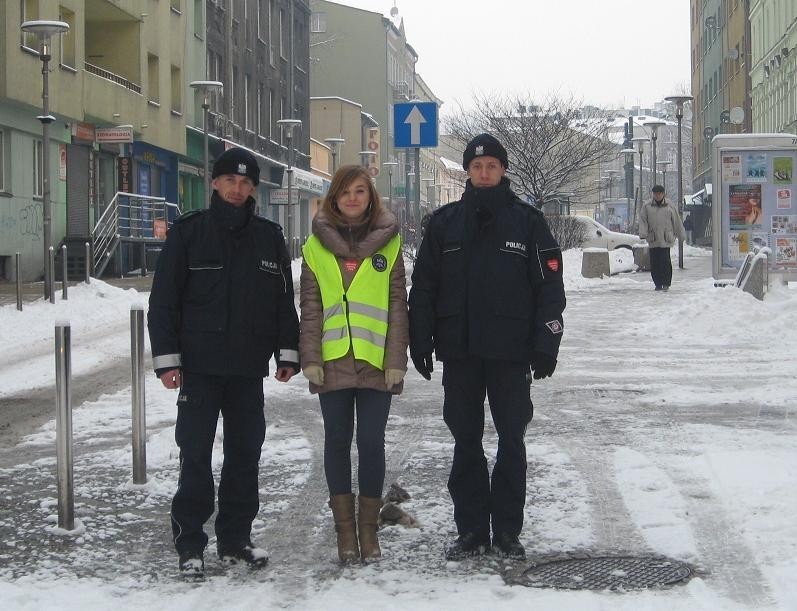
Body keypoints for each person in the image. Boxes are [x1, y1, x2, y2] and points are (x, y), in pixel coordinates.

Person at [408, 133, 566, 561]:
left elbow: (549, 289)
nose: (484, 173)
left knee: (511, 440)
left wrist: (546, 343)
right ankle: (472, 531)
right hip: (459, 353)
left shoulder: (528, 222)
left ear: (503, 170)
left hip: (511, 354)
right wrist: (419, 339)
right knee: (466, 441)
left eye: (491, 166)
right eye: (476, 167)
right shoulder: (443, 224)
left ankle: (508, 532)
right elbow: (423, 287)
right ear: (467, 171)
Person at [148, 147, 300, 576]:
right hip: (199, 368)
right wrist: (167, 361)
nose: (238, 188)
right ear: (214, 183)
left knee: (245, 454)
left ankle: (235, 539)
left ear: (254, 188)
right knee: (194, 454)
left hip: (247, 370)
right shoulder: (189, 234)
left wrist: (287, 353)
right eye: (230, 181)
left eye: (246, 183)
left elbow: (281, 303)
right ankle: (190, 544)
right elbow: (163, 304)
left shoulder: (268, 237)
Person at [299, 165, 409, 563]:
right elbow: (310, 307)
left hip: (378, 363)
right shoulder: (315, 247)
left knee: (371, 443)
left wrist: (397, 359)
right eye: (344, 191)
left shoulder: (390, 244)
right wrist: (310, 358)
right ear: (333, 196)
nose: (352, 198)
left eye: (359, 191)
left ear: (370, 196)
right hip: (332, 362)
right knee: (337, 442)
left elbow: (398, 306)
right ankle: (346, 535)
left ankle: (369, 532)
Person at [638, 184, 685, 291]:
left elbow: (676, 221)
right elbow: (643, 221)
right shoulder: (647, 206)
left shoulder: (670, 206)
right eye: (655, 193)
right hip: (653, 238)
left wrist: (680, 234)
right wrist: (643, 233)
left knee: (665, 261)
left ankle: (666, 283)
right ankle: (658, 283)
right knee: (654, 262)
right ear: (653, 194)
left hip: (665, 238)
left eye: (659, 193)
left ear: (663, 194)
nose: (657, 195)